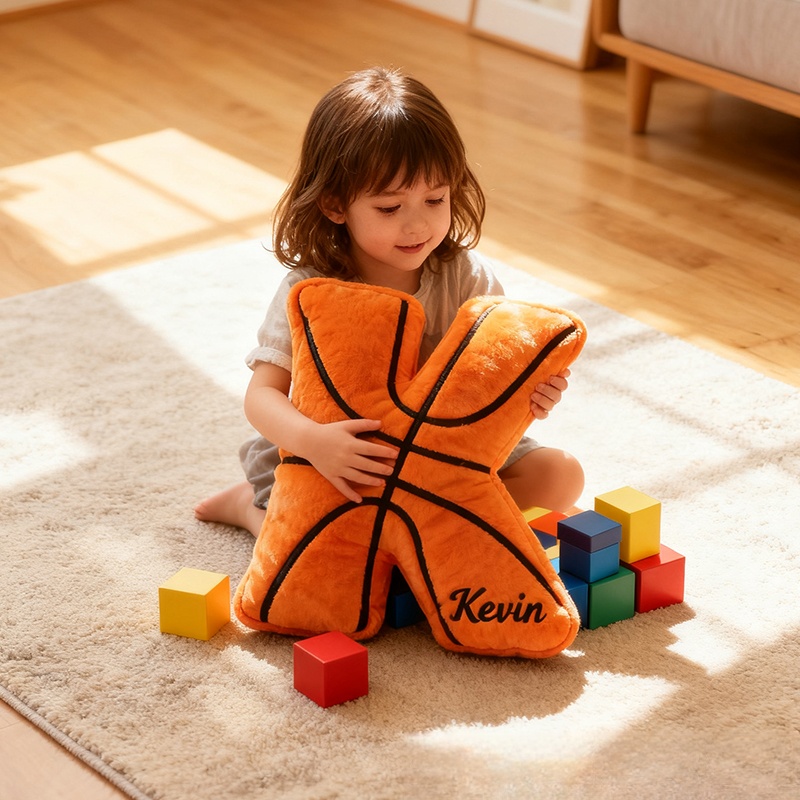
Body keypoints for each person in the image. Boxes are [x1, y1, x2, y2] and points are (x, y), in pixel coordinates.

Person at [195, 66, 584, 538]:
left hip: (444, 453)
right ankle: (248, 509)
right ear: (335, 205)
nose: (417, 226)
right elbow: (263, 396)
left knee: (560, 476)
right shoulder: (310, 289)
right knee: (324, 541)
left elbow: (494, 380)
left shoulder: (466, 277)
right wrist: (314, 442)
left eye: (435, 199)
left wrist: (530, 394)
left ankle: (413, 536)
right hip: (346, 455)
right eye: (389, 207)